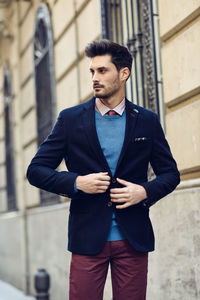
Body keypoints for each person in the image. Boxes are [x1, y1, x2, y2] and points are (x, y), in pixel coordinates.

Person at [27, 40, 180, 300]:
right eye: (92, 71)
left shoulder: (146, 121)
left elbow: (171, 174)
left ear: (123, 74)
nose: (95, 78)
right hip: (88, 237)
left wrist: (144, 191)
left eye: (102, 71)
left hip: (132, 238)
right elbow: (36, 170)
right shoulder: (70, 119)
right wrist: (77, 182)